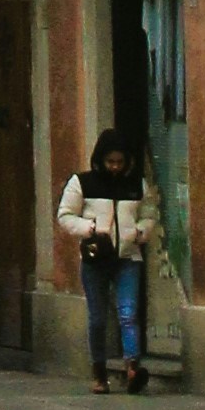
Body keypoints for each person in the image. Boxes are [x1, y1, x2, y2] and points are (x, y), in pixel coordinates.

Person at [60, 128, 151, 390]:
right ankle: (99, 374)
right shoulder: (82, 182)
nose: (115, 167)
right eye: (110, 162)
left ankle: (132, 368)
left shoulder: (137, 185)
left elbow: (149, 214)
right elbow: (65, 216)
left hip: (128, 257)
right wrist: (90, 230)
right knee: (98, 317)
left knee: (128, 313)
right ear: (100, 159)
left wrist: (139, 232)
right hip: (95, 259)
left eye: (120, 162)